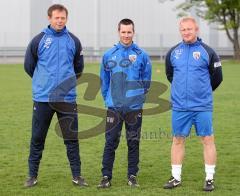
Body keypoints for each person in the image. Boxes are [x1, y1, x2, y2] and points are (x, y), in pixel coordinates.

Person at [24, 4, 88, 187]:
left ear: (66, 19)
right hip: (43, 98)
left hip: (67, 99)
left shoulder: (73, 41)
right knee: (37, 138)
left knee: (71, 139)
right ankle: (32, 176)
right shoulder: (39, 40)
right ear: (49, 18)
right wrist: (43, 83)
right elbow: (29, 66)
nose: (60, 21)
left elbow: (78, 69)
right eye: (56, 18)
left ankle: (77, 176)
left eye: (63, 18)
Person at [163, 16, 223, 191]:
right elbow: (170, 75)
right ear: (180, 31)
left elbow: (217, 77)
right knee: (178, 140)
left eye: (189, 29)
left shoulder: (208, 52)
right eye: (183, 29)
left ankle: (209, 178)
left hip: (202, 106)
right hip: (180, 106)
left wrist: (203, 92)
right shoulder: (173, 52)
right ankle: (175, 177)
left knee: (207, 140)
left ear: (196, 30)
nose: (186, 32)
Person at [97, 18, 152, 188]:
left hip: (134, 108)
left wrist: (138, 98)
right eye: (123, 32)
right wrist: (108, 99)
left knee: (133, 142)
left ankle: (132, 176)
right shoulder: (109, 54)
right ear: (118, 32)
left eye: (129, 32)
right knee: (110, 142)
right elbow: (104, 80)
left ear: (133, 32)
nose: (126, 35)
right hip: (114, 107)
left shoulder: (142, 55)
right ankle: (106, 177)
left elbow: (146, 80)